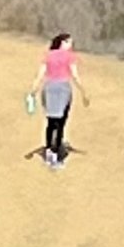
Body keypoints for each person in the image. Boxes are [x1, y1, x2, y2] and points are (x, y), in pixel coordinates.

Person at [35, 32, 79, 167]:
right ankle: (56, 155)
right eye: (69, 42)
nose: (71, 45)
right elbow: (75, 75)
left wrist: (33, 90)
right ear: (63, 42)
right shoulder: (70, 56)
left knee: (50, 122)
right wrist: (83, 91)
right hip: (63, 89)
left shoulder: (48, 55)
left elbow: (40, 75)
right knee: (60, 123)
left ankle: (49, 151)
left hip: (49, 88)